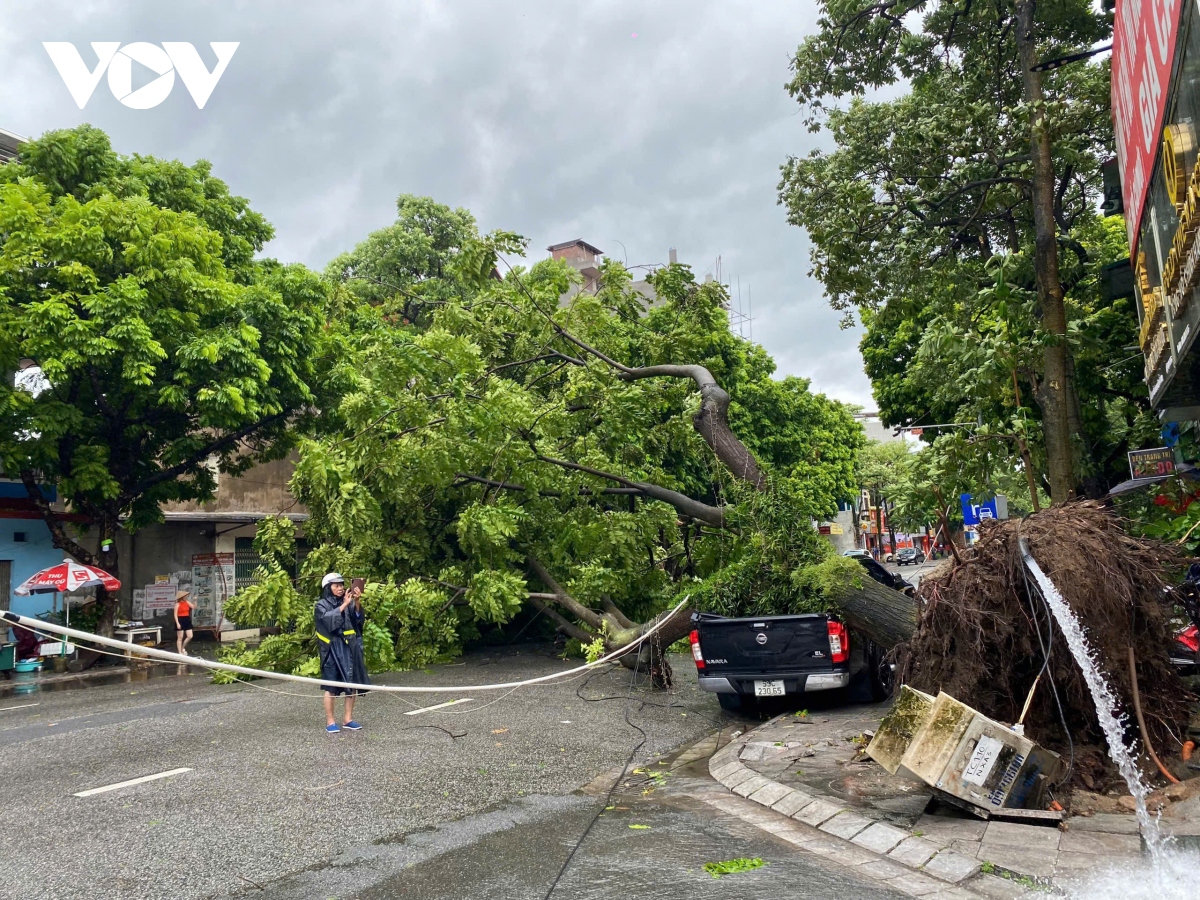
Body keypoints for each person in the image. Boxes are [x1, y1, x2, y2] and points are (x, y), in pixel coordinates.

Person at [315, 572, 369, 733]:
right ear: (328, 587)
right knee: (331, 686)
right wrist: (344, 605)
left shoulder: (348, 601)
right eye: (336, 585)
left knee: (350, 684)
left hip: (349, 648)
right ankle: (330, 721)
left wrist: (356, 602)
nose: (340, 588)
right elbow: (327, 621)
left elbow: (357, 621)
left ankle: (348, 718)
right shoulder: (321, 605)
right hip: (331, 649)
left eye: (341, 585)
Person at [174, 590, 194, 656]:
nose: (187, 597)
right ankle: (180, 652)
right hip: (180, 619)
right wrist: (177, 623)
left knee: (190, 636)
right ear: (182, 597)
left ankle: (182, 647)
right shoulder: (177, 604)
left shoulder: (187, 602)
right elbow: (175, 615)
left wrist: (195, 601)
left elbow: (194, 607)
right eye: (185, 596)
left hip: (187, 619)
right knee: (180, 637)